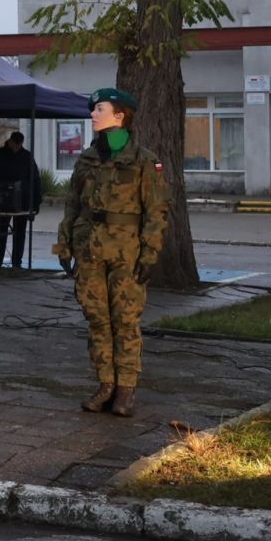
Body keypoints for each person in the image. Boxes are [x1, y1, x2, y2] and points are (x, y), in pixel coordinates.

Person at [52, 87, 171, 417]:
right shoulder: (87, 158)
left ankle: (126, 391)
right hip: (89, 249)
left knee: (126, 321)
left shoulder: (145, 161)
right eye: (93, 109)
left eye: (99, 109)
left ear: (120, 116)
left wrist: (149, 254)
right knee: (97, 320)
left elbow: (157, 211)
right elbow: (72, 204)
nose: (93, 114)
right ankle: (105, 385)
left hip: (126, 252)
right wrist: (64, 244)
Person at [0, 131, 42, 269]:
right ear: (10, 141)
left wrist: (35, 204)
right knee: (1, 232)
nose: (16, 147)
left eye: (19, 145)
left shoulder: (26, 156)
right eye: (14, 144)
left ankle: (17, 263)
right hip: (3, 201)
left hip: (22, 202)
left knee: (20, 233)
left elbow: (36, 180)